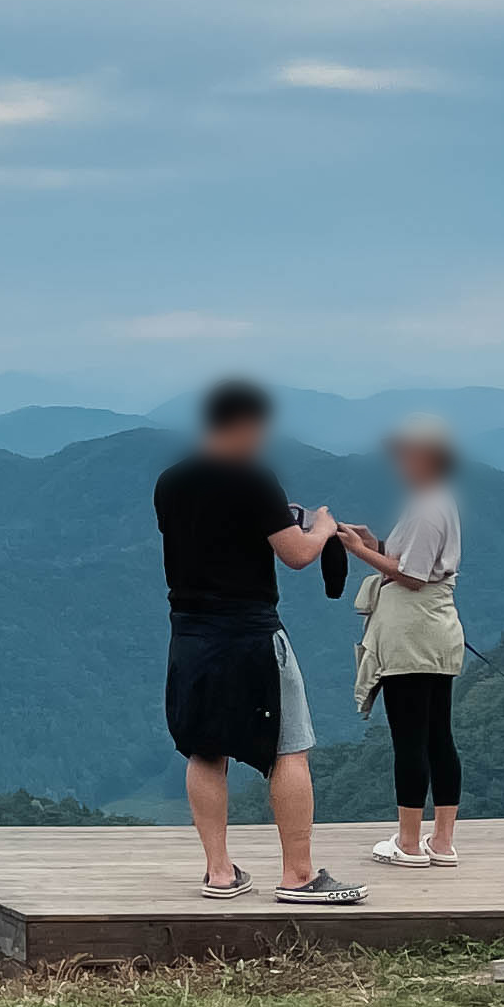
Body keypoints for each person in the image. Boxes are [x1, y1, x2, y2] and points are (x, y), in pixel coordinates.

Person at [153, 379, 361, 904]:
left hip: (190, 635)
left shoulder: (170, 482)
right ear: (247, 424)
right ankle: (299, 876)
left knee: (204, 751)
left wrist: (270, 513)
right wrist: (321, 526)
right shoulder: (254, 480)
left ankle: (219, 873)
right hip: (251, 634)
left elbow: (211, 534)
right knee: (289, 749)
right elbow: (296, 555)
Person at [342, 416, 468, 866]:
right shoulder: (437, 501)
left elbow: (412, 576)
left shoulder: (427, 506)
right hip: (436, 631)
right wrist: (372, 541)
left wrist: (359, 552)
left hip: (411, 633)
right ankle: (443, 841)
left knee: (410, 739)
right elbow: (408, 560)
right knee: (438, 737)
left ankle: (410, 843)